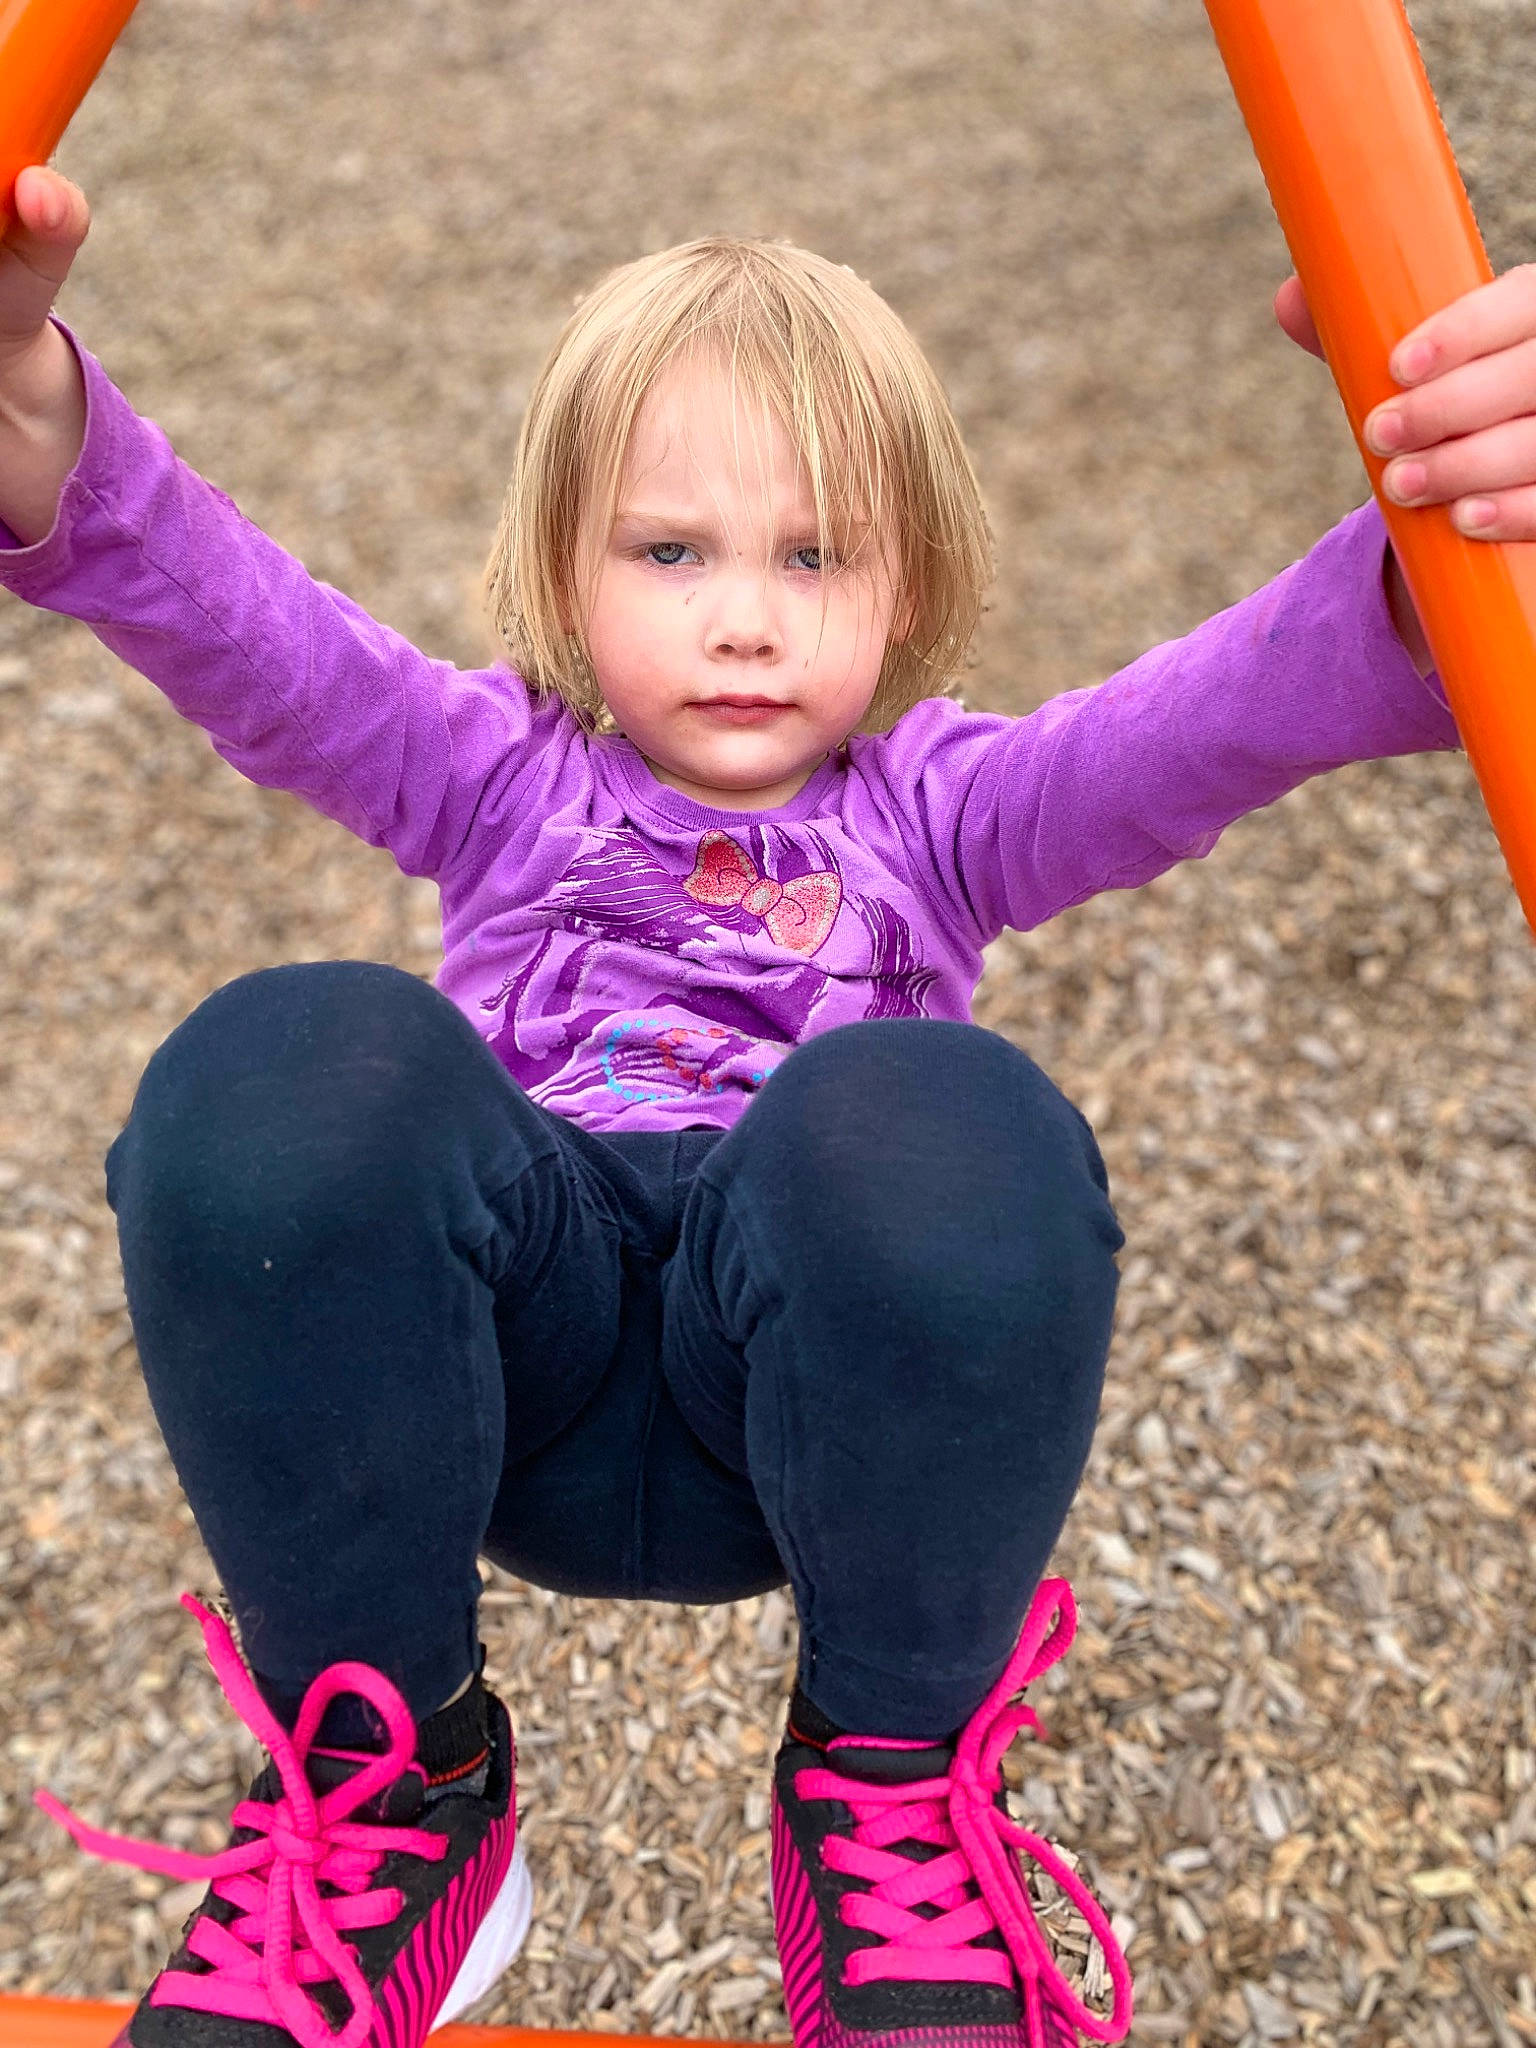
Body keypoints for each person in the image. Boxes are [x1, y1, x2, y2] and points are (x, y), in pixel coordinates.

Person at [3, 157, 1533, 2048]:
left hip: (805, 1399)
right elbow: (258, 637)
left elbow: (1206, 719)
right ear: (565, 565)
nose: (745, 621)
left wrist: (1428, 571)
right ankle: (391, 1794)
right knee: (283, 1062)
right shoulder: (491, 772)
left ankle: (892, 1789)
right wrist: (52, 433)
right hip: (514, 1364)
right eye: (671, 553)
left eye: (815, 558)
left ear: (913, 580)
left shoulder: (948, 814)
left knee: (940, 1113)